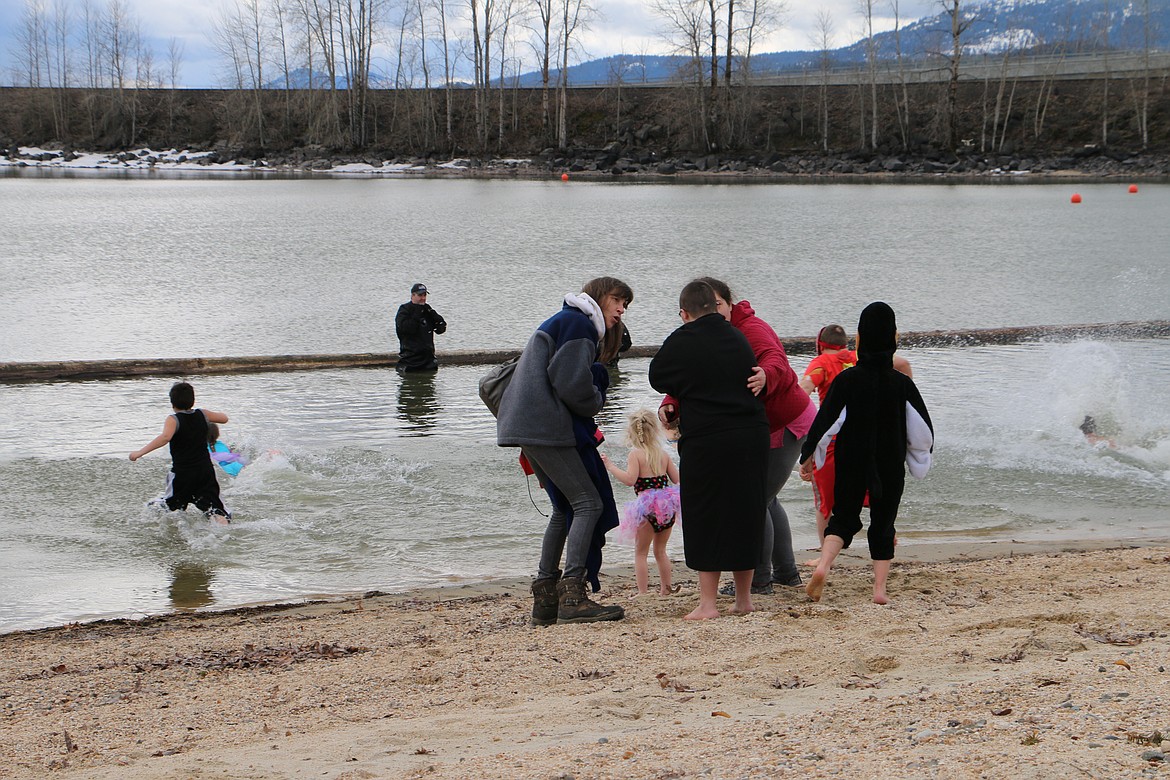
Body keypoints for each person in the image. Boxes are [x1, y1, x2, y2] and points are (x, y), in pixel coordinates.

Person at [661, 277, 815, 595]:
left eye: (718, 304)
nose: (713, 311)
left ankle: (759, 581)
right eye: (708, 305)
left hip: (785, 422)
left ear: (730, 304)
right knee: (767, 500)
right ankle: (786, 573)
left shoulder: (750, 328)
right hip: (759, 427)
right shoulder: (707, 336)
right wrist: (670, 403)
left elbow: (779, 364)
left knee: (755, 501)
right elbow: (692, 377)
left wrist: (765, 375)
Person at [496, 276, 633, 625]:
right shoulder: (579, 324)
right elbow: (571, 384)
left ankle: (545, 601)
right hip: (544, 425)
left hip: (524, 424)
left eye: (626, 305)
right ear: (598, 297)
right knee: (589, 503)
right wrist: (598, 396)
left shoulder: (562, 320)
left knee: (563, 508)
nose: (621, 309)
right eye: (617, 300)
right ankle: (572, 594)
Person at [649, 280, 770, 620]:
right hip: (750, 434)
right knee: (745, 512)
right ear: (717, 306)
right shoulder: (736, 335)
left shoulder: (683, 338)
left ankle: (708, 604)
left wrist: (684, 388)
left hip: (708, 437)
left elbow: (658, 376)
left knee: (706, 515)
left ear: (684, 313)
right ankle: (744, 599)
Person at [798, 302, 934, 605]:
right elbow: (921, 427)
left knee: (844, 519)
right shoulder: (901, 383)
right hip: (888, 461)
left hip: (851, 460)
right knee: (883, 523)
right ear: (893, 339)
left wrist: (809, 454)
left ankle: (823, 565)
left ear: (858, 339)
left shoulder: (847, 380)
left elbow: (827, 421)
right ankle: (879, 590)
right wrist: (921, 459)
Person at [601, 408, 681, 596]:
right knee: (661, 551)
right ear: (655, 430)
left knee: (641, 553)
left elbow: (630, 480)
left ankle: (643, 592)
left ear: (632, 433)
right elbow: (677, 480)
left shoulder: (635, 454)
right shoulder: (663, 454)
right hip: (667, 507)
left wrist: (611, 466)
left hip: (646, 508)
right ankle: (666, 589)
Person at [130, 382, 231, 525]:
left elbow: (165, 437)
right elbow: (224, 419)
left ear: (172, 403)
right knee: (214, 509)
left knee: (169, 507)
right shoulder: (202, 414)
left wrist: (140, 452)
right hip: (205, 472)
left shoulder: (173, 419)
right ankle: (223, 529)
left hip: (182, 474)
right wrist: (205, 415)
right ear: (193, 400)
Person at [395, 283, 447, 372]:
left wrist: (436, 317)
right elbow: (407, 329)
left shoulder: (427, 310)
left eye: (424, 295)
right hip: (410, 361)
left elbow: (440, 329)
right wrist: (417, 312)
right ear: (412, 295)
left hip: (428, 361)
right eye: (420, 295)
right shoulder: (404, 310)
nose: (423, 298)